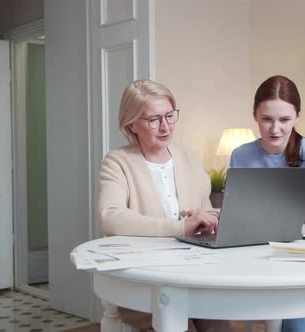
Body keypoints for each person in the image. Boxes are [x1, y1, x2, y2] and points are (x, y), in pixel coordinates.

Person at [98, 79, 227, 331]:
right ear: (132, 123)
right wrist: (179, 227)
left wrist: (207, 218)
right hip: (146, 281)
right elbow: (110, 217)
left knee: (222, 327)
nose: (165, 126)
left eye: (170, 116)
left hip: (196, 275)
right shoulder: (117, 162)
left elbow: (207, 208)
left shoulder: (189, 157)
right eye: (154, 119)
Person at [230, 75, 305, 332]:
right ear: (254, 115)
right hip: (265, 265)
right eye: (266, 119)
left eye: (285, 120)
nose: (275, 129)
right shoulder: (241, 155)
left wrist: (266, 226)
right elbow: (238, 220)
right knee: (294, 323)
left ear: (298, 116)